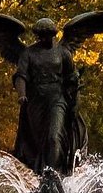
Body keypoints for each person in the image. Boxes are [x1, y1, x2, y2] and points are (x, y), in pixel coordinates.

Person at [13, 18, 87, 175]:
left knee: (54, 137)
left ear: (53, 34)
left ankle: (52, 175)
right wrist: (22, 95)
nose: (44, 39)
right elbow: (21, 76)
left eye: (48, 36)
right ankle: (42, 176)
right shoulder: (28, 53)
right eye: (41, 36)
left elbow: (72, 78)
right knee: (40, 142)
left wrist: (75, 100)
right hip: (36, 102)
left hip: (57, 100)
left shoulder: (62, 53)